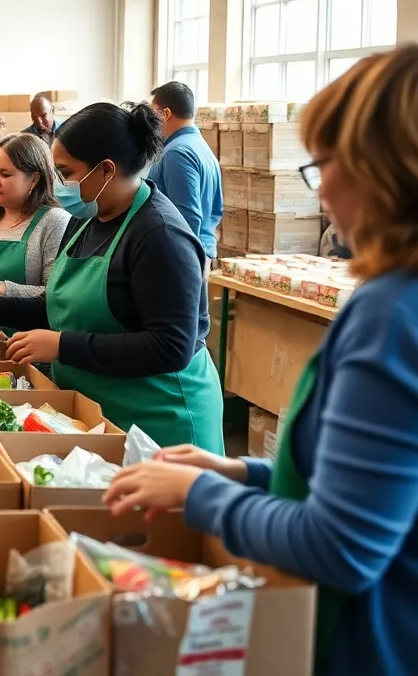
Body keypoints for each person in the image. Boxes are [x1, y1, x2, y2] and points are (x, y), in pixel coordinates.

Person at [102, 48, 418, 675]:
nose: (321, 187)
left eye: (329, 164)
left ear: (388, 173)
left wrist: (200, 495)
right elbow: (376, 491)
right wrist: (239, 472)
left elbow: (342, 545)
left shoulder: (391, 316)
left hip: (362, 641)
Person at [0, 102, 223, 452]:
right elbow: (65, 302)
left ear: (106, 170)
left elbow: (171, 346)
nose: (59, 184)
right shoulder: (87, 219)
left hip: (158, 420)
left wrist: (62, 345)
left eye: (66, 172)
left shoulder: (160, 237)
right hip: (98, 407)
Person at [0, 133, 70, 302]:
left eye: (5, 174)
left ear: (34, 179)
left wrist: (5, 289)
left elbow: (56, 293)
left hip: (24, 328)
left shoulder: (53, 222)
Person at [148, 81, 222, 268]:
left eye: (152, 113)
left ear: (165, 114)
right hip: (198, 252)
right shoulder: (200, 147)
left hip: (181, 258)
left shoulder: (177, 153)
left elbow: (186, 216)